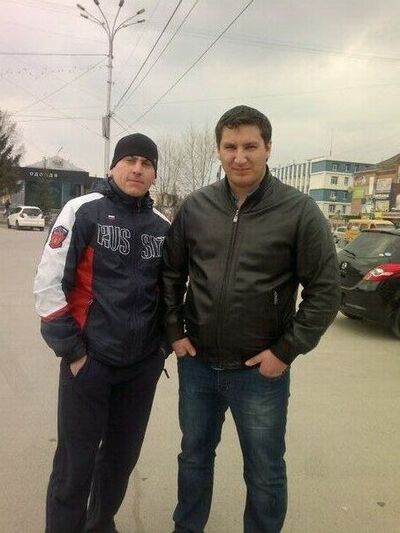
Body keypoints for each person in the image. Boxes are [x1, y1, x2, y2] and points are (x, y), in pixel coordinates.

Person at [162, 105, 340, 533]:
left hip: (259, 371)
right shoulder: (196, 207)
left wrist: (285, 351)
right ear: (218, 150)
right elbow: (170, 274)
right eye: (230, 147)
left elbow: (325, 291)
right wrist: (174, 332)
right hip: (198, 364)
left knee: (264, 471)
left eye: (250, 146)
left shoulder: (299, 212)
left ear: (268, 148)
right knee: (193, 458)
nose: (239, 157)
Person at [34, 133, 170, 533]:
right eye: (130, 160)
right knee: (74, 466)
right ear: (113, 167)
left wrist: (160, 350)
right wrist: (73, 352)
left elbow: (173, 292)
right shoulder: (82, 211)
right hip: (89, 364)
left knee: (119, 463)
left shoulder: (163, 226)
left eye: (147, 163)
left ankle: (99, 524)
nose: (137, 169)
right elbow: (48, 286)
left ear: (154, 174)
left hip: (140, 369)